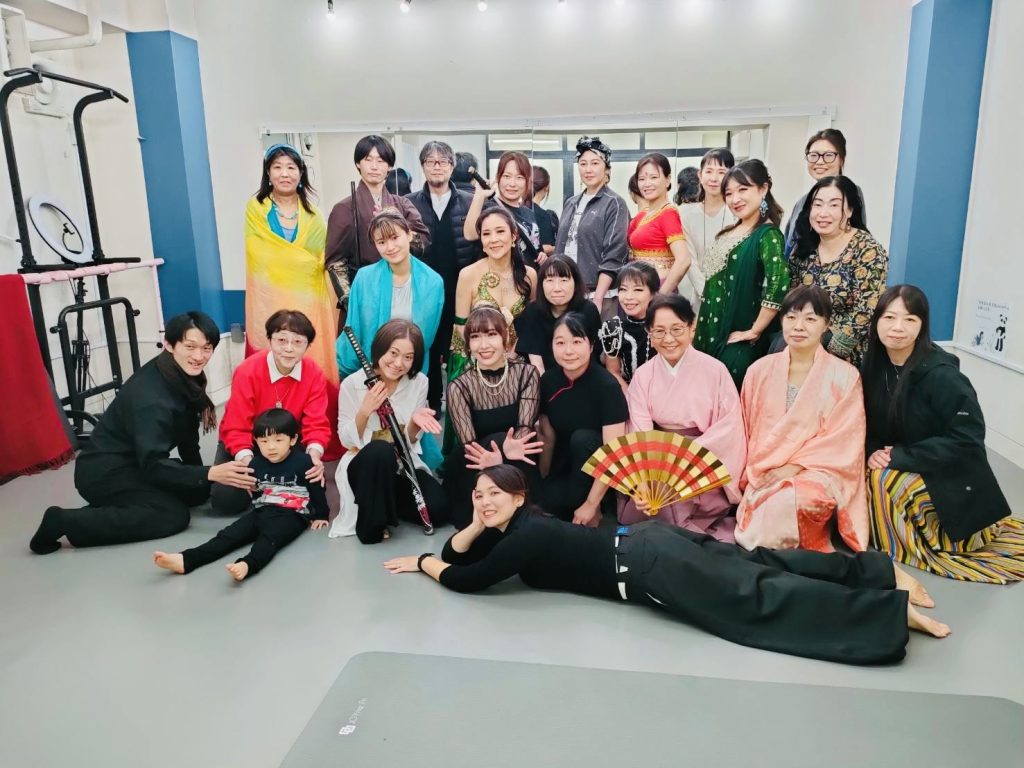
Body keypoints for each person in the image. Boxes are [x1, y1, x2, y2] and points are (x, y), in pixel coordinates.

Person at [384, 465, 951, 666]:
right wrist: (476, 524)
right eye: (478, 495)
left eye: (494, 495)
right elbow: (465, 552)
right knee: (758, 562)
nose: (484, 502)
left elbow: (466, 577)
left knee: (752, 600)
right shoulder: (520, 526)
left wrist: (424, 562)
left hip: (648, 565)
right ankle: (876, 572)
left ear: (518, 496)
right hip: (649, 541)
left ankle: (887, 614)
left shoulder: (524, 538)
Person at [30, 313, 256, 554]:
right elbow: (153, 465)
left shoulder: (180, 377)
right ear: (169, 344)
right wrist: (210, 473)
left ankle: (125, 505)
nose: (199, 356)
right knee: (172, 515)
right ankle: (63, 520)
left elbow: (187, 437)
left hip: (136, 462)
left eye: (206, 348)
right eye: (190, 347)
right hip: (104, 473)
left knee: (197, 490)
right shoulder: (152, 398)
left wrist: (201, 479)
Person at [862, 285, 1024, 584]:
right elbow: (868, 422)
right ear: (876, 321)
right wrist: (873, 451)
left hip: (950, 471)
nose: (897, 327)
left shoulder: (942, 374)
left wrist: (899, 456)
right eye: (889, 317)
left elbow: (967, 438)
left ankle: (932, 542)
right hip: (908, 458)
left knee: (882, 479)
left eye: (910, 319)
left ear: (922, 325)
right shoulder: (874, 364)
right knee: (860, 472)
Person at [735, 286, 869, 552]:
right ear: (781, 320)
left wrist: (792, 468)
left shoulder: (845, 375)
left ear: (826, 324)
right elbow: (747, 429)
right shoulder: (758, 371)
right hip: (764, 467)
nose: (799, 326)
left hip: (819, 469)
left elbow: (843, 439)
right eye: (791, 317)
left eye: (810, 319)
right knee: (769, 501)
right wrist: (766, 468)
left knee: (800, 499)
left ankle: (800, 551)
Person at [620, 295, 746, 541]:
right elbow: (639, 430)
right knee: (653, 495)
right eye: (659, 331)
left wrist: (686, 455)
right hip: (657, 459)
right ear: (649, 333)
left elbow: (728, 427)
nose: (668, 339)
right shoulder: (644, 375)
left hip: (703, 459)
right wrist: (643, 479)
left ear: (691, 327)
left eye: (677, 329)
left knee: (671, 502)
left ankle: (678, 540)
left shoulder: (715, 371)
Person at [153, 409, 328, 581]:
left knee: (269, 539)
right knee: (228, 535)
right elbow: (255, 490)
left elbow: (317, 489)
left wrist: (321, 515)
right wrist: (256, 498)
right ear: (256, 442)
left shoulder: (304, 462)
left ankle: (248, 564)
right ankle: (186, 559)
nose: (271, 446)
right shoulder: (256, 463)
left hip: (292, 515)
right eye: (264, 441)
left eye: (278, 440)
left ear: (293, 439)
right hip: (262, 511)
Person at [331, 320, 449, 544]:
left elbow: (409, 442)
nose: (398, 363)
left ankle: (385, 505)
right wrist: (364, 411)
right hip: (367, 469)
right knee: (380, 450)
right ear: (380, 349)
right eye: (393, 353)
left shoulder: (419, 382)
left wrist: (414, 423)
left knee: (439, 509)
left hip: (401, 466)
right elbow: (346, 441)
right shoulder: (352, 384)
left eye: (408, 357)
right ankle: (373, 519)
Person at [212, 310, 331, 515]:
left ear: (307, 346)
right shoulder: (247, 370)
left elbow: (316, 424)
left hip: (286, 443)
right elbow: (235, 426)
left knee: (311, 488)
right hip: (248, 442)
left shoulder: (314, 373)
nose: (289, 348)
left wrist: (314, 457)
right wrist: (251, 466)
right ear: (270, 340)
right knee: (226, 501)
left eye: (298, 342)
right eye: (281, 340)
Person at [244, 143, 339, 385]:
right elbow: (259, 255)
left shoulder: (314, 215)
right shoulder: (256, 209)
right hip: (269, 300)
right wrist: (300, 264)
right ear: (268, 173)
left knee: (307, 359)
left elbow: (320, 263)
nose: (284, 174)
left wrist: (297, 264)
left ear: (301, 173)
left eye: (291, 167)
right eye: (277, 167)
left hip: (307, 302)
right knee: (272, 361)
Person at [443, 307, 543, 529]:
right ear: (468, 343)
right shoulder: (459, 386)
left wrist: (506, 455)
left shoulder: (527, 373)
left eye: (491, 334)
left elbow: (524, 427)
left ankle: (528, 518)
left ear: (505, 338)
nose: (483, 345)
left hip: (516, 455)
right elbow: (469, 445)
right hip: (477, 461)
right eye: (475, 337)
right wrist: (497, 455)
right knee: (498, 440)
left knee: (525, 447)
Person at [693, 159, 788, 389]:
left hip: (736, 336)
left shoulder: (767, 235)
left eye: (743, 189)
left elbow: (779, 284)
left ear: (763, 189)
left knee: (729, 398)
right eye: (729, 193)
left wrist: (755, 330)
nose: (735, 199)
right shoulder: (730, 231)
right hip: (707, 331)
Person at [404, 141, 480, 412]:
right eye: (430, 161)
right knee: (427, 346)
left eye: (443, 161)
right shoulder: (408, 203)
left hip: (460, 291)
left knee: (461, 349)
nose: (437, 166)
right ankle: (431, 405)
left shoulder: (469, 202)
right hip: (423, 290)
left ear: (451, 166)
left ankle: (463, 405)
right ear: (422, 166)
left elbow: (479, 246)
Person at [788, 175, 887, 366]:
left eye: (834, 205)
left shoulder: (867, 249)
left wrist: (831, 349)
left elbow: (867, 308)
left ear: (849, 210)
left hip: (847, 349)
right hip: (804, 337)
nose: (823, 213)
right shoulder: (803, 248)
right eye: (817, 205)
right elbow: (792, 298)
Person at [538, 313, 628, 523]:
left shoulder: (607, 386)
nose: (568, 351)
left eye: (577, 342)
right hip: (564, 466)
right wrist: (543, 480)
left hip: (600, 475)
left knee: (583, 439)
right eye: (560, 343)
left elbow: (613, 451)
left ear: (591, 345)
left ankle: (597, 509)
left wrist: (590, 504)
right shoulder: (548, 380)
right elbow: (547, 436)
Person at [337, 210, 444, 379]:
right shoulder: (364, 278)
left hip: (409, 371)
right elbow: (354, 328)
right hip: (369, 370)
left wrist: (399, 366)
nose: (390, 247)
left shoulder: (432, 281)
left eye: (395, 237)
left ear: (409, 234)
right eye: (381, 242)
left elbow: (425, 337)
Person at [324, 135, 431, 293]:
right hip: (364, 289)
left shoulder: (402, 204)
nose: (374, 167)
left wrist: (394, 225)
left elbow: (423, 243)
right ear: (358, 163)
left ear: (389, 166)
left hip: (403, 286)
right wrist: (349, 298)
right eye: (368, 160)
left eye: (381, 161)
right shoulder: (343, 208)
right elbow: (335, 262)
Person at [448, 207, 537, 385]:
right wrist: (486, 357)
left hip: (518, 363)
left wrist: (512, 355)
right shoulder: (468, 275)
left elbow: (533, 325)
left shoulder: (530, 275)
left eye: (500, 231)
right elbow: (460, 328)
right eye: (486, 234)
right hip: (475, 363)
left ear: (513, 235)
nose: (493, 239)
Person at [553, 136, 630, 318]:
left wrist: (598, 298)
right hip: (567, 292)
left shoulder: (614, 203)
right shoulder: (571, 203)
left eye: (595, 163)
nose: (588, 169)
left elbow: (614, 254)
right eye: (583, 164)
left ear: (607, 168)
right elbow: (560, 248)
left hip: (599, 294)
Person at [783, 129, 867, 255]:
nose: (819, 161)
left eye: (828, 155)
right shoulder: (802, 201)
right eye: (813, 155)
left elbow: (857, 240)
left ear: (842, 159)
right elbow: (789, 243)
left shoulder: (851, 192)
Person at [515, 256, 601, 374]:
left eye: (564, 280)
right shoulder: (532, 311)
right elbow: (536, 363)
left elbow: (593, 355)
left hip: (583, 374)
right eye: (550, 280)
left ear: (575, 283)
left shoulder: (588, 310)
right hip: (545, 378)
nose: (557, 288)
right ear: (541, 284)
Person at [678, 148, 736, 312]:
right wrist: (707, 293)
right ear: (700, 175)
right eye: (709, 171)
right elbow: (690, 260)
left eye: (721, 172)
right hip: (695, 293)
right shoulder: (686, 215)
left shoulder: (737, 214)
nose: (714, 178)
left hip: (732, 293)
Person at [464, 150, 542, 267]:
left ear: (527, 181)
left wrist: (541, 255)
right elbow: (470, 234)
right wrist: (479, 196)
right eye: (507, 176)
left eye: (519, 177)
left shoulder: (528, 213)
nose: (512, 183)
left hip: (529, 275)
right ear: (498, 178)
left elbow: (535, 246)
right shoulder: (490, 209)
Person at [627, 153, 690, 294]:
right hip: (638, 289)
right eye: (641, 179)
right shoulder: (643, 215)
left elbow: (684, 260)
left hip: (657, 289)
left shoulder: (668, 213)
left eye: (653, 177)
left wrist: (661, 296)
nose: (647, 183)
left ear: (667, 180)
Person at [599, 262, 660, 392]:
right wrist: (632, 398)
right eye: (623, 289)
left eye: (638, 290)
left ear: (653, 293)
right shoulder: (613, 328)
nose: (628, 297)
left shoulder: (664, 324)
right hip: (629, 392)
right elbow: (613, 372)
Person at [531, 165, 560, 260]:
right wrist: (558, 247)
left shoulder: (517, 210)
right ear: (546, 187)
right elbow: (546, 247)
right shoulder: (544, 216)